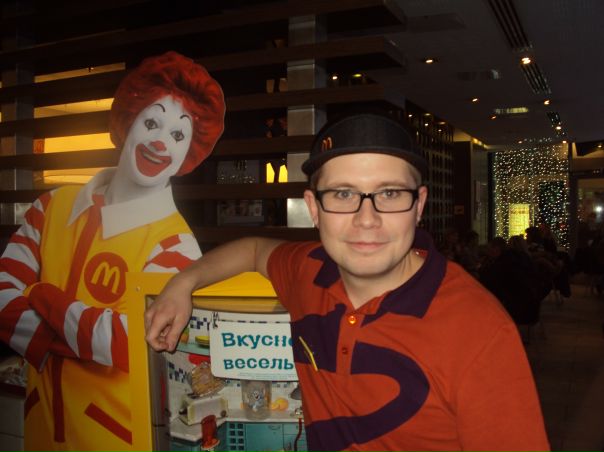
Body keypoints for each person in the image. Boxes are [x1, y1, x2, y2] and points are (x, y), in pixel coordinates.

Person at [145, 112, 549, 451]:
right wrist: (183, 282)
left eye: (390, 193)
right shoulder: (309, 270)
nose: (366, 219)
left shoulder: (480, 332)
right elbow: (253, 249)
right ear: (313, 208)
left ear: (419, 205)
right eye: (342, 194)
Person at [0, 51, 225, 451]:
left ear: (188, 154)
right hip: (39, 435)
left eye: (178, 136)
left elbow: (130, 342)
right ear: (128, 121)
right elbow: (1, 298)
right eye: (152, 123)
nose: (160, 142)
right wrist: (86, 339)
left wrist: (40, 295)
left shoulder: (176, 245)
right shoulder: (50, 207)